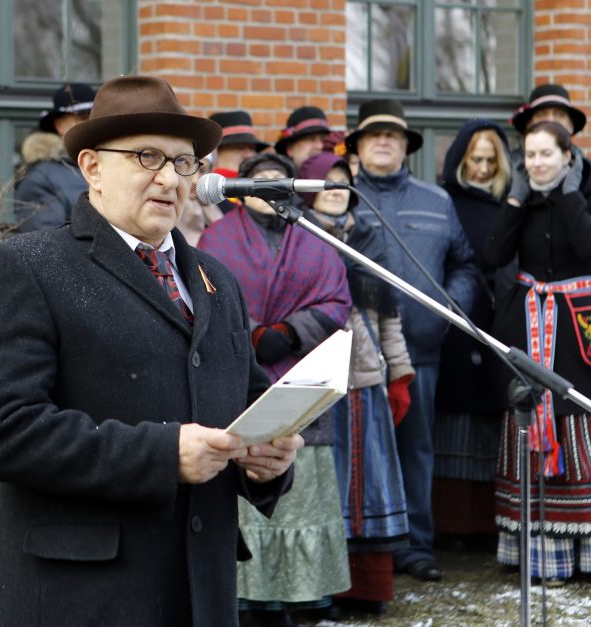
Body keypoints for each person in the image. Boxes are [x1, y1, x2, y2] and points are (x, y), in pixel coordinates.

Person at [0, 75, 303, 627]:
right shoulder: (26, 269)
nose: (170, 178)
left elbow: (247, 403)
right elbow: (4, 431)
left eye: (185, 162)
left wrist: (267, 462)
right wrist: (163, 455)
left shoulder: (217, 280)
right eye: (148, 157)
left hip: (201, 590)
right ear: (92, 167)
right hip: (86, 596)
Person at [198, 153, 351, 627]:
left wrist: (290, 330)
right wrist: (252, 334)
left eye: (274, 180)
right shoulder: (217, 237)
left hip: (303, 377)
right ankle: (249, 602)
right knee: (252, 478)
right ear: (241, 187)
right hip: (239, 380)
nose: (266, 187)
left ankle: (303, 600)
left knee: (297, 483)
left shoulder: (316, 234)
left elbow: (336, 298)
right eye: (257, 179)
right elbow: (203, 293)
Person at [346, 99, 480, 582]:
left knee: (416, 450)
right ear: (357, 145)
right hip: (353, 354)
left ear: (407, 146)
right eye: (374, 134)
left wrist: (450, 307)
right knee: (358, 452)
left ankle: (416, 546)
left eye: (394, 135)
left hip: (421, 349)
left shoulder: (436, 201)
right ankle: (361, 551)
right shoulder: (339, 197)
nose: (384, 142)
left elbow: (465, 263)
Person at [484, 120, 591, 584]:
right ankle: (538, 557)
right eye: (532, 155)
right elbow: (494, 255)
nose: (538, 163)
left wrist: (567, 194)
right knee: (529, 409)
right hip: (527, 322)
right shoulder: (521, 199)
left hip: (579, 329)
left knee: (576, 414)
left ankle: (587, 557)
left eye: (548, 154)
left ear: (568, 155)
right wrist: (517, 199)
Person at [299, 151, 414, 616]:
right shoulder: (295, 235)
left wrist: (400, 371)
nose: (335, 190)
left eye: (343, 182)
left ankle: (365, 589)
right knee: (327, 483)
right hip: (312, 373)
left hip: (364, 371)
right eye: (325, 182)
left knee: (367, 483)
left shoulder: (368, 238)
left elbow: (388, 314)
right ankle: (324, 586)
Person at [432, 119, 512, 543]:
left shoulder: (508, 205)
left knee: (488, 413)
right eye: (474, 159)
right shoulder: (447, 201)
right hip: (458, 321)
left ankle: (484, 521)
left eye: (489, 160)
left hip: (499, 322)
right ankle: (451, 523)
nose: (481, 168)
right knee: (454, 412)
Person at [511, 84, 591, 308]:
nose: (551, 121)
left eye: (559, 115)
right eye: (543, 115)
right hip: (526, 299)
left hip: (583, 294)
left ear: (571, 126)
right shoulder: (514, 173)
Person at [13, 82, 95, 232]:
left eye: (96, 117)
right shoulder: (40, 179)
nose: (92, 124)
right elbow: (47, 248)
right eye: (83, 117)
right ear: (59, 126)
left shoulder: (112, 166)